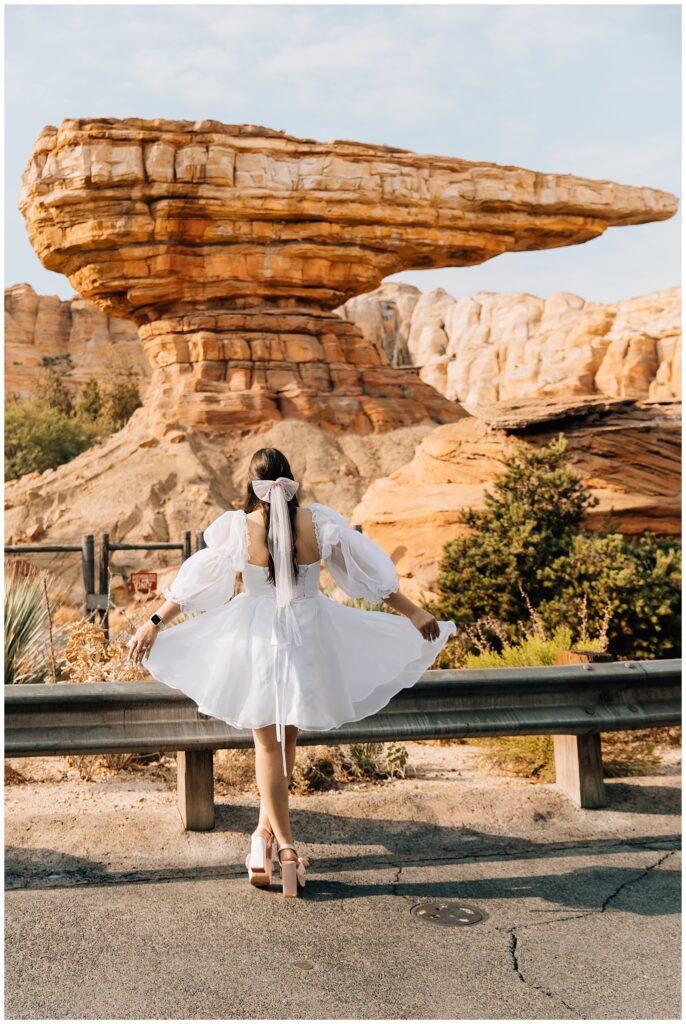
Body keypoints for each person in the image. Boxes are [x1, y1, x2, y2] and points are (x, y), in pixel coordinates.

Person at [127, 447, 456, 897]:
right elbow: (365, 577)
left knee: (266, 745)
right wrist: (413, 611)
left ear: (251, 483)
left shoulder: (238, 528)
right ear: (291, 480)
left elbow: (197, 587)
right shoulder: (318, 523)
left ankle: (283, 846)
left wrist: (154, 622)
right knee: (286, 743)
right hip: (309, 636)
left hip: (257, 637)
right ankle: (263, 838)